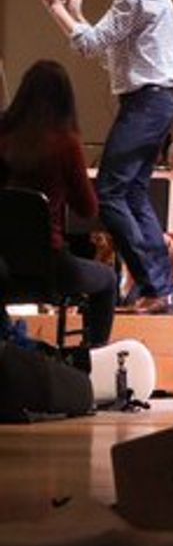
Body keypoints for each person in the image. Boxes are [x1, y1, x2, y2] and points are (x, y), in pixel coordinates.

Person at [31, 0, 173, 314]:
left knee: (111, 194)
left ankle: (153, 284)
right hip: (153, 101)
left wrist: (53, 6)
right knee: (132, 193)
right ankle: (160, 289)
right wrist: (79, 15)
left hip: (147, 103)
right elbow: (110, 55)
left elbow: (90, 45)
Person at [0, 60, 118, 347]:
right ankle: (90, 362)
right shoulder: (65, 144)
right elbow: (87, 209)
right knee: (108, 281)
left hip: (4, 268)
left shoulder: (3, 139)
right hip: (52, 269)